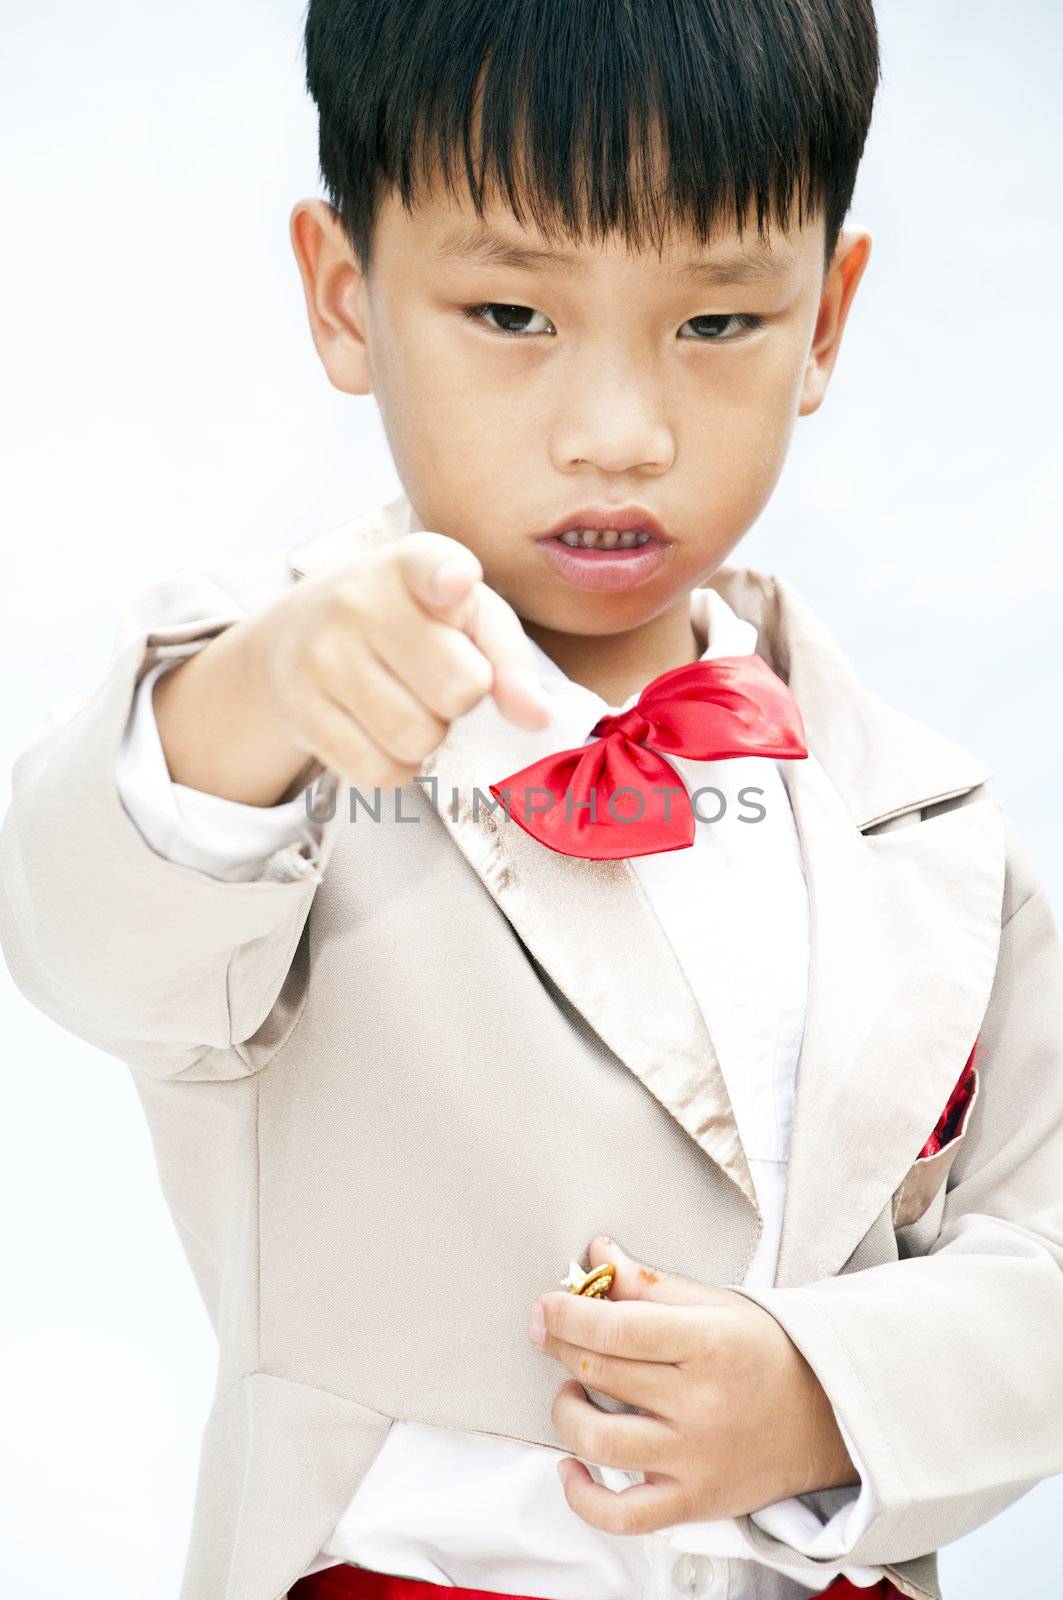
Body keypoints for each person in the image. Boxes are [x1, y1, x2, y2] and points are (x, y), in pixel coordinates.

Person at [2, 2, 1061, 1599]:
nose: (618, 435)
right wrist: (254, 692)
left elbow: (1041, 1253)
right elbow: (86, 934)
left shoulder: (922, 813)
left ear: (828, 318)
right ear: (346, 295)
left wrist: (829, 1390)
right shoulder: (274, 723)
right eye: (511, 310)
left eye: (716, 324)